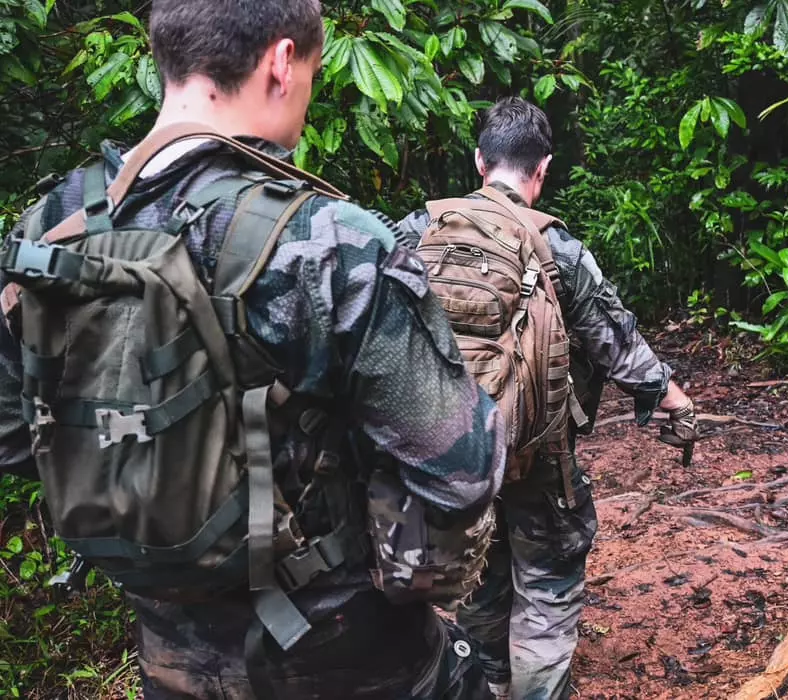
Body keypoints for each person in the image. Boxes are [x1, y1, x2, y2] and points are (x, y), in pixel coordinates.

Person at [0, 1, 505, 697]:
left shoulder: (51, 229)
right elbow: (460, 470)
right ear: (282, 61)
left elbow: (16, 439)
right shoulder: (330, 240)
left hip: (173, 660)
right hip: (355, 659)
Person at [398, 97, 700, 700]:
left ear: (480, 161)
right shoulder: (555, 247)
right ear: (543, 168)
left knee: (479, 579)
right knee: (547, 587)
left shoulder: (417, 231)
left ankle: (488, 685)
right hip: (537, 453)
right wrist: (672, 401)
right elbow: (615, 341)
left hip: (449, 454)